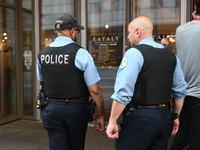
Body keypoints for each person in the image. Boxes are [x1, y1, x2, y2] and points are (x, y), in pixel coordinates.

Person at [106, 16, 187, 150]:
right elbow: (180, 91)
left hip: (140, 118)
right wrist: (175, 116)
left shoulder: (134, 54)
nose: (127, 36)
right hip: (163, 117)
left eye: (129, 32)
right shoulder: (171, 55)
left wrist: (112, 121)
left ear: (137, 32)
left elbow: (123, 93)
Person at [36, 14, 105, 150]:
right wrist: (101, 114)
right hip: (75, 110)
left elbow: (43, 81)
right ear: (73, 31)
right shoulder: (80, 53)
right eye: (77, 31)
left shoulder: (42, 54)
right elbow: (94, 90)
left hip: (51, 108)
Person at [170, 1, 200, 149]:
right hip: (199, 94)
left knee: (182, 135)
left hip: (183, 93)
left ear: (194, 9)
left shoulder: (180, 30)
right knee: (197, 140)